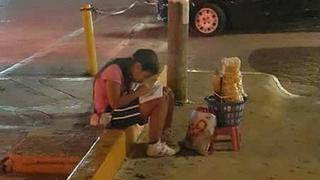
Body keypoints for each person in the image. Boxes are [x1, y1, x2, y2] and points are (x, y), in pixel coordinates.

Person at [92, 49, 176, 157]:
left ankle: (163, 137)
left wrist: (144, 92)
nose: (143, 80)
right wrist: (138, 93)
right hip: (108, 116)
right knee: (160, 101)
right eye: (145, 76)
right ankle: (154, 146)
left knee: (167, 93)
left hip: (120, 109)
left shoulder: (128, 70)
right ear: (137, 67)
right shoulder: (113, 72)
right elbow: (115, 104)